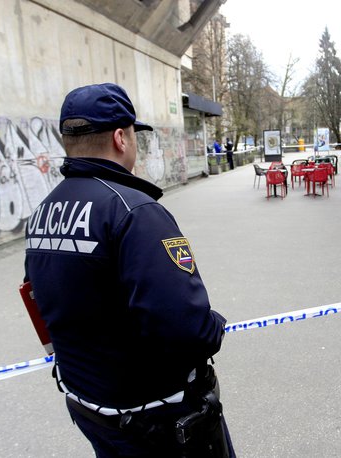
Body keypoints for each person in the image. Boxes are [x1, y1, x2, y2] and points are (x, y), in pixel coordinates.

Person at [23, 83, 235, 457]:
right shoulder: (135, 211)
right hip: (158, 422)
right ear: (121, 138)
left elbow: (39, 298)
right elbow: (186, 327)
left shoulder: (44, 212)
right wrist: (215, 325)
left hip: (91, 407)